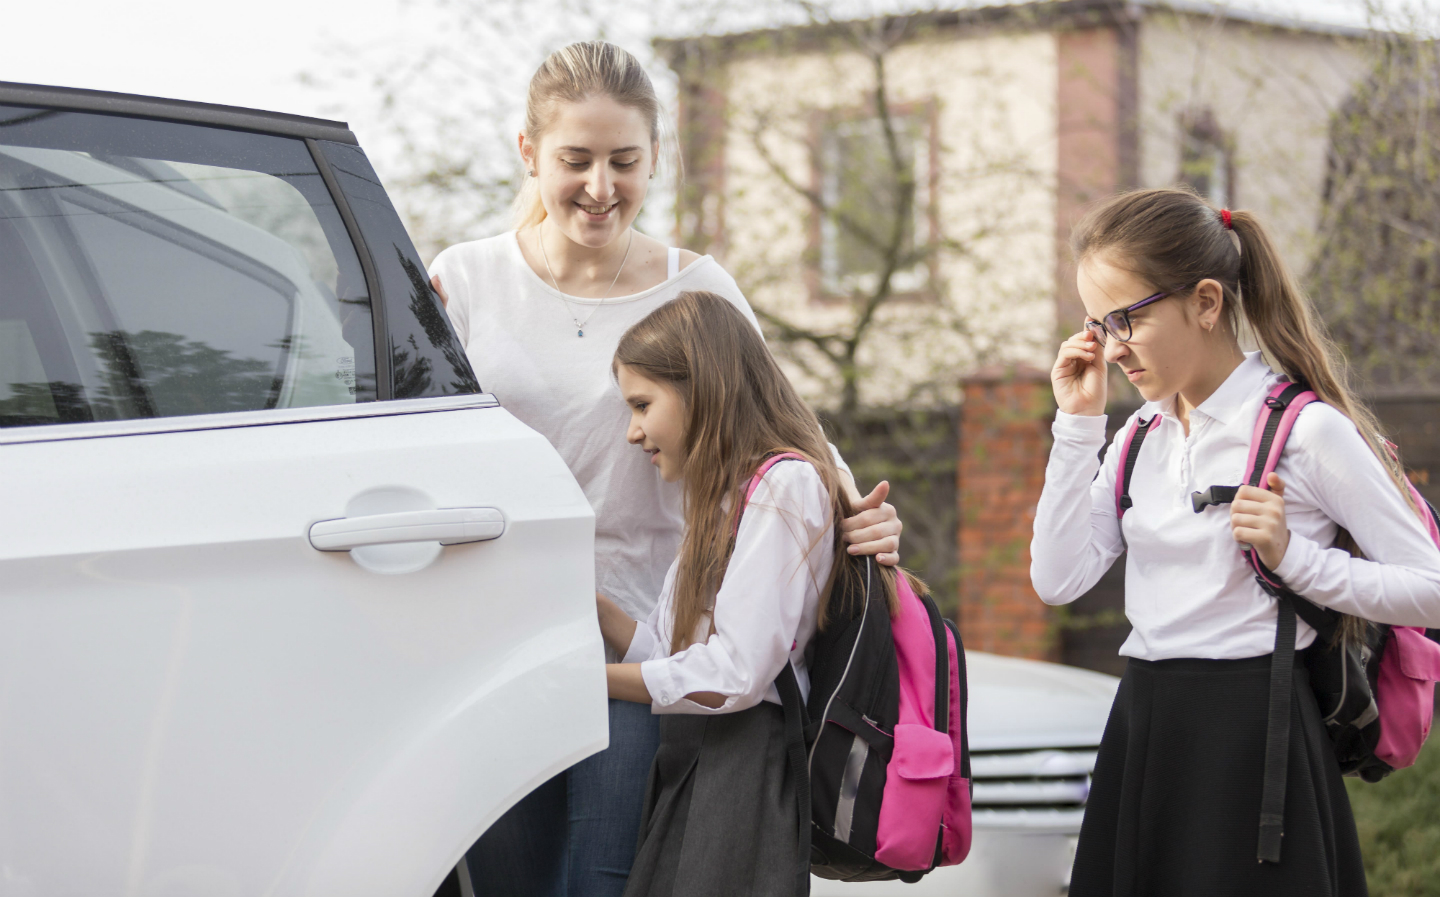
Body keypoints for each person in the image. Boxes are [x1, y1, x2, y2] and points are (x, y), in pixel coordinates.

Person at [428, 41, 903, 897]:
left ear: (656, 161)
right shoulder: (465, 280)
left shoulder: (697, 286)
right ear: (530, 153)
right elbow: (417, 439)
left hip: (651, 636)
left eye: (626, 161)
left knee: (604, 882)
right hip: (498, 634)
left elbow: (784, 422)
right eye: (576, 160)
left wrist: (856, 508)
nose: (601, 187)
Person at [1031, 187, 1440, 896]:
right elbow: (1057, 579)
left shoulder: (1306, 431)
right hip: (1145, 728)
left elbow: (1429, 585)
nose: (1112, 345)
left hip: (1258, 740)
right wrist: (1076, 428)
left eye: (1127, 317)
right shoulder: (1138, 437)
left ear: (1208, 302)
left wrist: (1296, 560)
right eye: (1097, 323)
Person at [598, 289, 891, 896]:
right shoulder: (727, 497)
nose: (633, 432)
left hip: (745, 765)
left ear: (702, 388)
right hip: (703, 756)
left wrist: (583, 680)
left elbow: (734, 675)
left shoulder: (784, 486)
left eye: (642, 404)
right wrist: (588, 605)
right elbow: (669, 652)